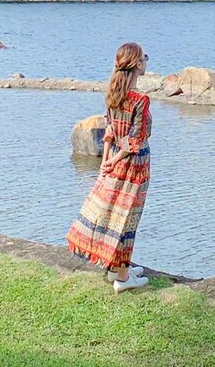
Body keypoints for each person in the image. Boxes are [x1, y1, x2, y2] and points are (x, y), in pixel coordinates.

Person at [66, 42, 152, 293]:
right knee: (128, 218)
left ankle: (116, 268)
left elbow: (110, 131)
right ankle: (123, 278)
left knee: (114, 214)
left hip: (114, 158)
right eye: (144, 57)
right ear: (137, 64)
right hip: (134, 166)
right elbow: (135, 139)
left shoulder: (113, 93)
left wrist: (106, 161)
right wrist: (114, 161)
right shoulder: (140, 99)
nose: (146, 61)